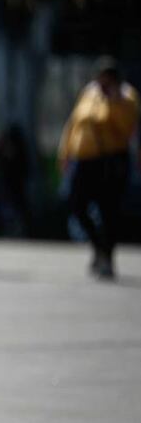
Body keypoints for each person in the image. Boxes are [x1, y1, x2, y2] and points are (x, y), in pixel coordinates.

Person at [58, 56, 138, 279]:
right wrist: (65, 151)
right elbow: (74, 122)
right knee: (75, 202)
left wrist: (114, 101)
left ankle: (107, 257)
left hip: (110, 161)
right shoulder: (89, 92)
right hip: (83, 160)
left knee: (108, 210)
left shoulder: (126, 96)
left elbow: (127, 127)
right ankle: (98, 246)